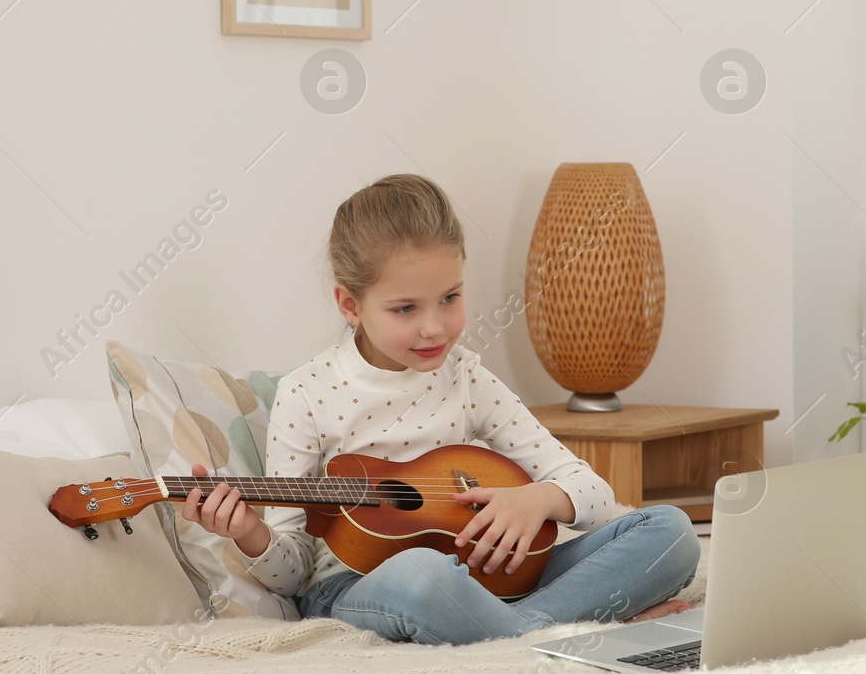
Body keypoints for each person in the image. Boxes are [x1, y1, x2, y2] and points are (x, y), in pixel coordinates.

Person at [180, 173, 700, 645]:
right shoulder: (307, 392)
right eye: (406, 308)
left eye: (449, 298)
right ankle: (572, 631)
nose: (436, 328)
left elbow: (598, 496)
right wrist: (250, 533)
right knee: (423, 571)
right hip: (363, 586)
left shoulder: (467, 376)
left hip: (491, 578)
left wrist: (541, 499)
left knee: (669, 531)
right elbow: (293, 575)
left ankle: (520, 631)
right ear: (349, 305)